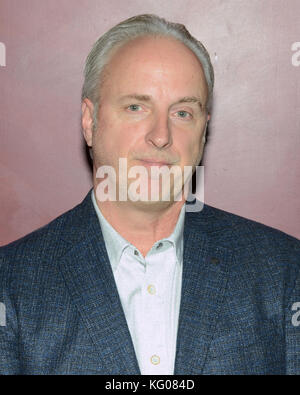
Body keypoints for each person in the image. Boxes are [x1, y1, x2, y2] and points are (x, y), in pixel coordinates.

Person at [0, 14, 300, 375]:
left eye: (182, 112)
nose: (161, 136)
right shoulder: (12, 284)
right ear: (89, 121)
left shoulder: (284, 271)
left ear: (203, 131)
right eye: (135, 107)